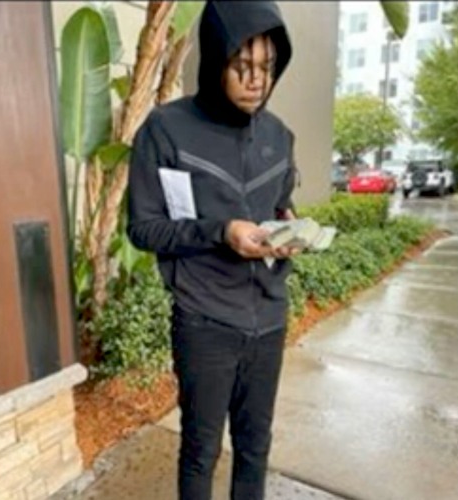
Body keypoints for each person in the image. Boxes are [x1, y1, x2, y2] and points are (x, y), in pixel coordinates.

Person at [127, 2, 297, 499]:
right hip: (205, 321)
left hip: (268, 318)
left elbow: (280, 204)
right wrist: (221, 232)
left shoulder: (279, 136)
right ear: (216, 60)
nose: (256, 80)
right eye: (242, 65)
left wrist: (288, 229)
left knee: (255, 447)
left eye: (267, 66)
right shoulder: (166, 130)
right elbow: (145, 229)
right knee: (201, 450)